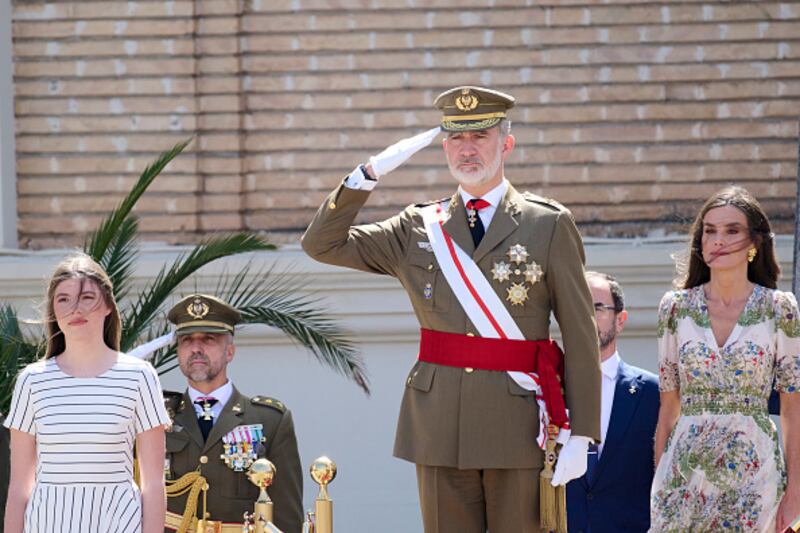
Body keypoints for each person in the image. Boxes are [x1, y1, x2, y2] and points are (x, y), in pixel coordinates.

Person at [302, 85, 601, 533]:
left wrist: (582, 431)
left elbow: (580, 332)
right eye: (456, 139)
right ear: (443, 147)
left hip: (516, 423)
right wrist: (366, 174)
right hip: (439, 422)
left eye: (480, 136)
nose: (467, 149)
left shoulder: (547, 223)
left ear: (507, 144)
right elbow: (321, 244)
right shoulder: (418, 226)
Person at [651, 186, 800, 532]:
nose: (718, 240)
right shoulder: (674, 308)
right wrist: (660, 482)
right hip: (685, 474)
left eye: (732, 230)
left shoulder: (780, 308)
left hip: (754, 471)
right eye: (710, 230)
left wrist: (795, 490)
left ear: (754, 244)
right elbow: (668, 407)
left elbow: (792, 408)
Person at [3, 252, 170, 533]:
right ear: (53, 311)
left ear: (108, 306)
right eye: (63, 299)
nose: (75, 309)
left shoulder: (140, 376)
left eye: (87, 297)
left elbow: (153, 484)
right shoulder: (31, 381)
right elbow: (20, 483)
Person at [163, 293, 302, 533]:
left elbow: (286, 518)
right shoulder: (157, 416)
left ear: (229, 352)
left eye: (208, 339)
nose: (196, 348)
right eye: (186, 340)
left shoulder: (270, 420)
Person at [566, 272, 659, 533]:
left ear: (620, 321)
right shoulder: (542, 390)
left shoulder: (653, 394)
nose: (585, 314)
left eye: (597, 307)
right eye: (576, 303)